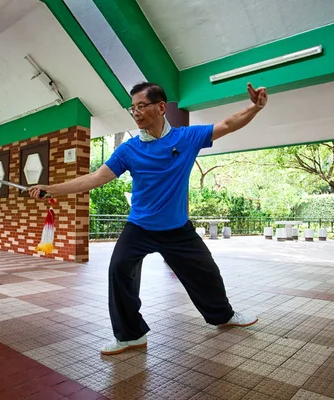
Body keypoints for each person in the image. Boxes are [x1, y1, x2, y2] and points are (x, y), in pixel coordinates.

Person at [29, 82, 267, 355]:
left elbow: (227, 124)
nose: (136, 112)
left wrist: (254, 107)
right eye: (133, 108)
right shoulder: (129, 150)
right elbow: (96, 178)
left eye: (142, 106)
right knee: (119, 270)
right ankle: (131, 335)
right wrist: (52, 189)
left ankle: (223, 316)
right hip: (140, 226)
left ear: (161, 107)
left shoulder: (186, 138)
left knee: (207, 273)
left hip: (177, 228)